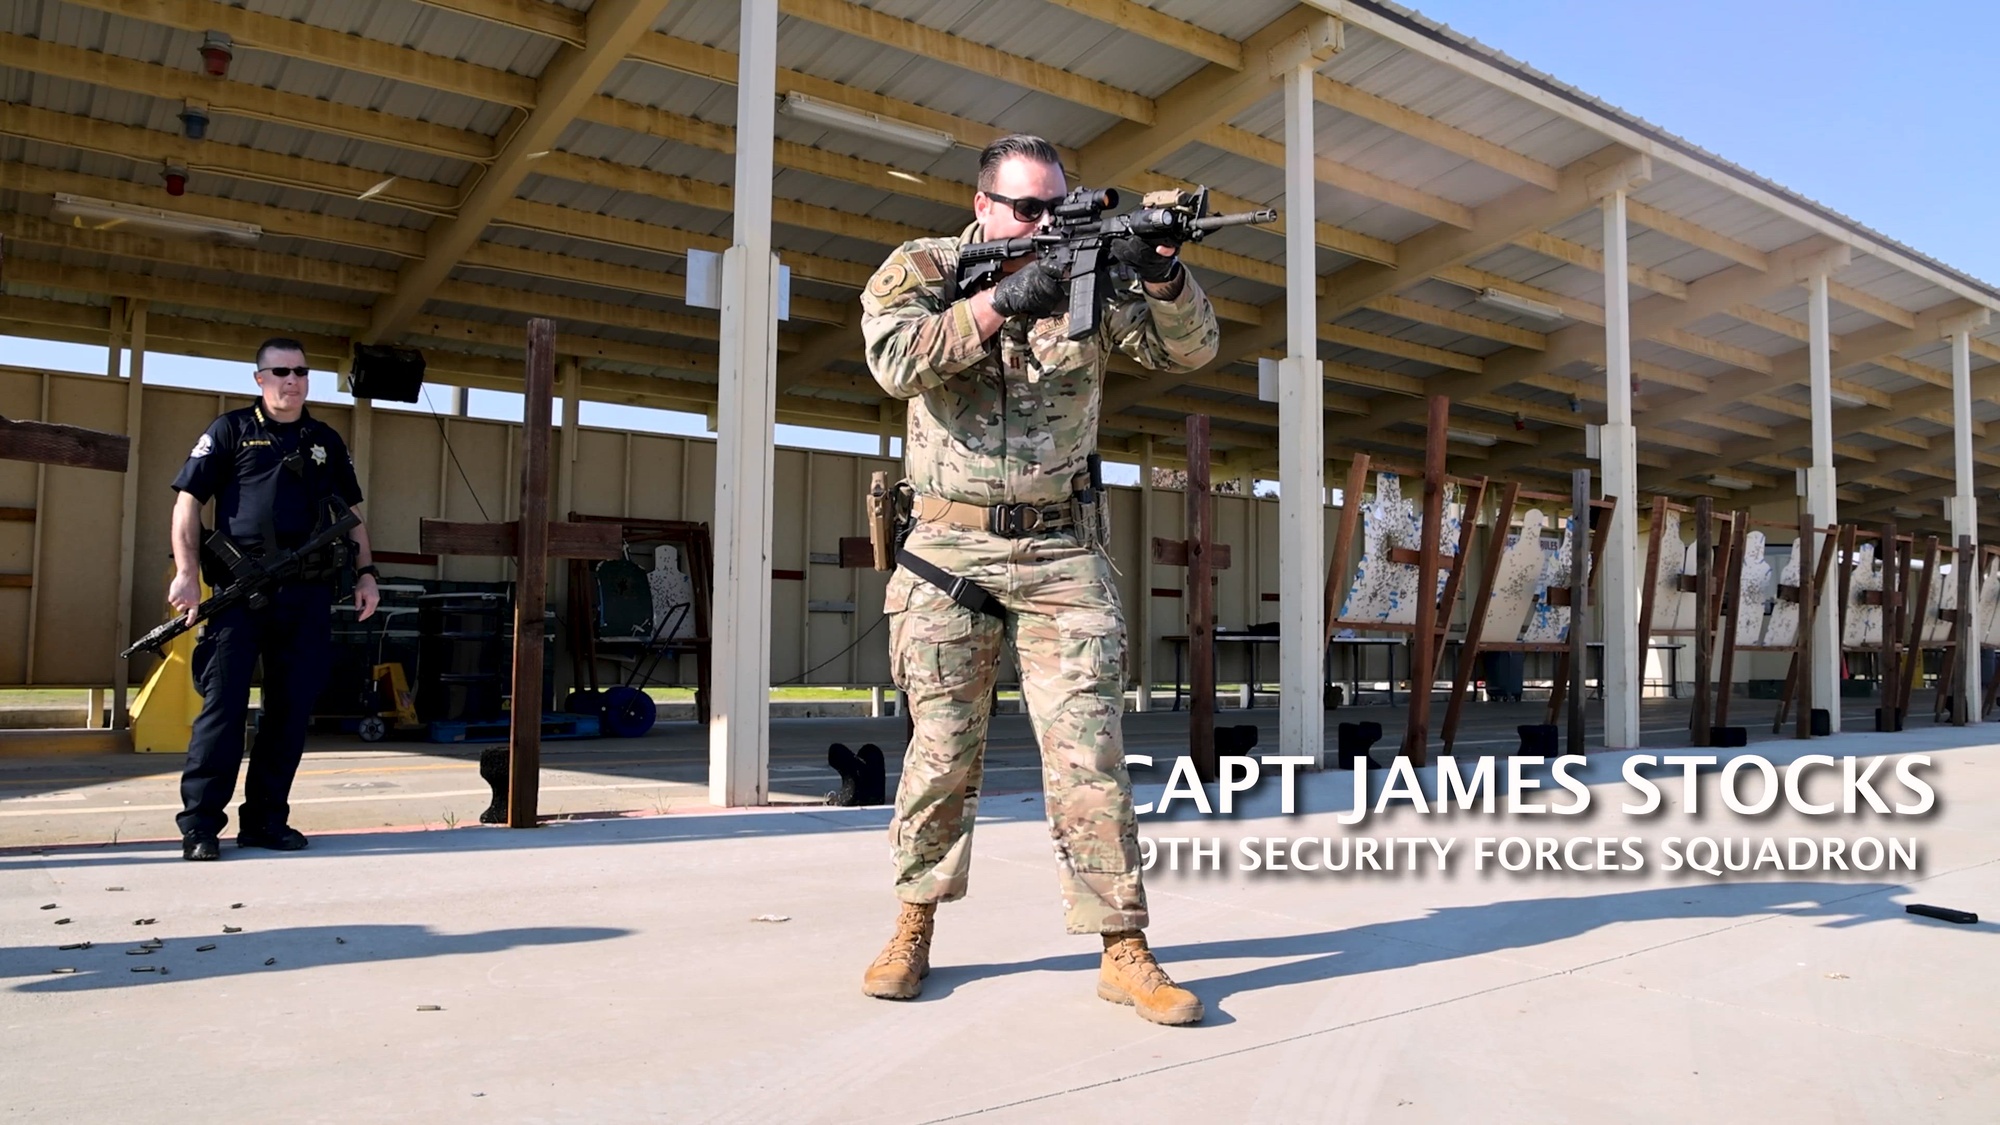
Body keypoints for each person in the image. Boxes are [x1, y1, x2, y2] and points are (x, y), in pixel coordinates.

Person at [858, 135, 1220, 1025]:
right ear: (983, 206)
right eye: (1025, 209)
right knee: (942, 749)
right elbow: (896, 361)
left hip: (1063, 551)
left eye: (1056, 206)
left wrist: (1164, 274)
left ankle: (1122, 944)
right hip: (949, 551)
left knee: (1090, 755)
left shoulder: (1090, 266)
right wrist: (1004, 299)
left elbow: (1189, 353)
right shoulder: (924, 266)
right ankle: (913, 924)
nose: (1044, 223)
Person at [166, 339, 380, 860]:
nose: (293, 381)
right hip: (240, 596)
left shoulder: (324, 439)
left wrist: (368, 573)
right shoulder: (230, 431)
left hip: (305, 595)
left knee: (289, 712)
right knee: (223, 710)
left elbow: (351, 513)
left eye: (302, 372)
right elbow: (188, 501)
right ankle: (200, 827)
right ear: (259, 379)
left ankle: (265, 820)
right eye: (281, 372)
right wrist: (187, 572)